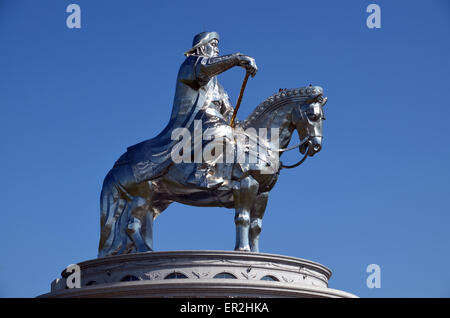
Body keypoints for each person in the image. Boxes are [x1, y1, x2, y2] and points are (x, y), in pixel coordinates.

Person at [123, 31, 258, 187]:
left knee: (241, 137)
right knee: (222, 131)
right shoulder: (191, 64)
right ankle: (200, 172)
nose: (217, 50)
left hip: (212, 122)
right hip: (193, 122)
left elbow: (227, 112)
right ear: (201, 48)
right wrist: (237, 59)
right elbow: (206, 68)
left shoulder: (218, 86)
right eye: (213, 45)